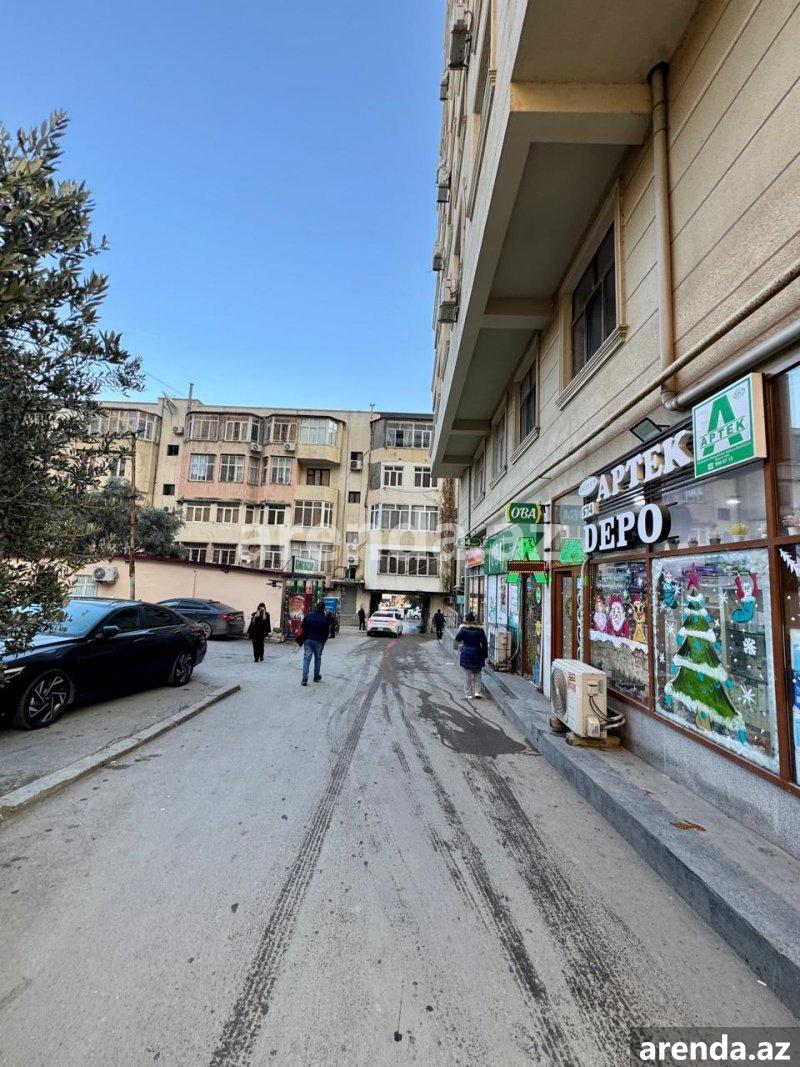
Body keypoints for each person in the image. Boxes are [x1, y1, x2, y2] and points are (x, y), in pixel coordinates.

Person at [454, 612, 488, 700]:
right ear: (474, 620)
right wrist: (485, 655)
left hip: (466, 654)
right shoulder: (480, 631)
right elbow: (484, 644)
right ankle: (477, 692)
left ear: (466, 621)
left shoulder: (463, 630)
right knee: (478, 674)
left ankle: (468, 693)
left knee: (467, 676)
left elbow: (456, 639)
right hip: (478, 653)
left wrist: (456, 648)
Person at [299, 601, 330, 685]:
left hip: (308, 640)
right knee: (318, 658)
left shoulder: (309, 615)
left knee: (306, 659)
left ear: (316, 607)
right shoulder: (324, 619)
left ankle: (304, 679)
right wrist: (323, 641)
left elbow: (303, 626)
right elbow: (326, 633)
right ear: (323, 608)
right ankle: (316, 676)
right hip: (319, 641)